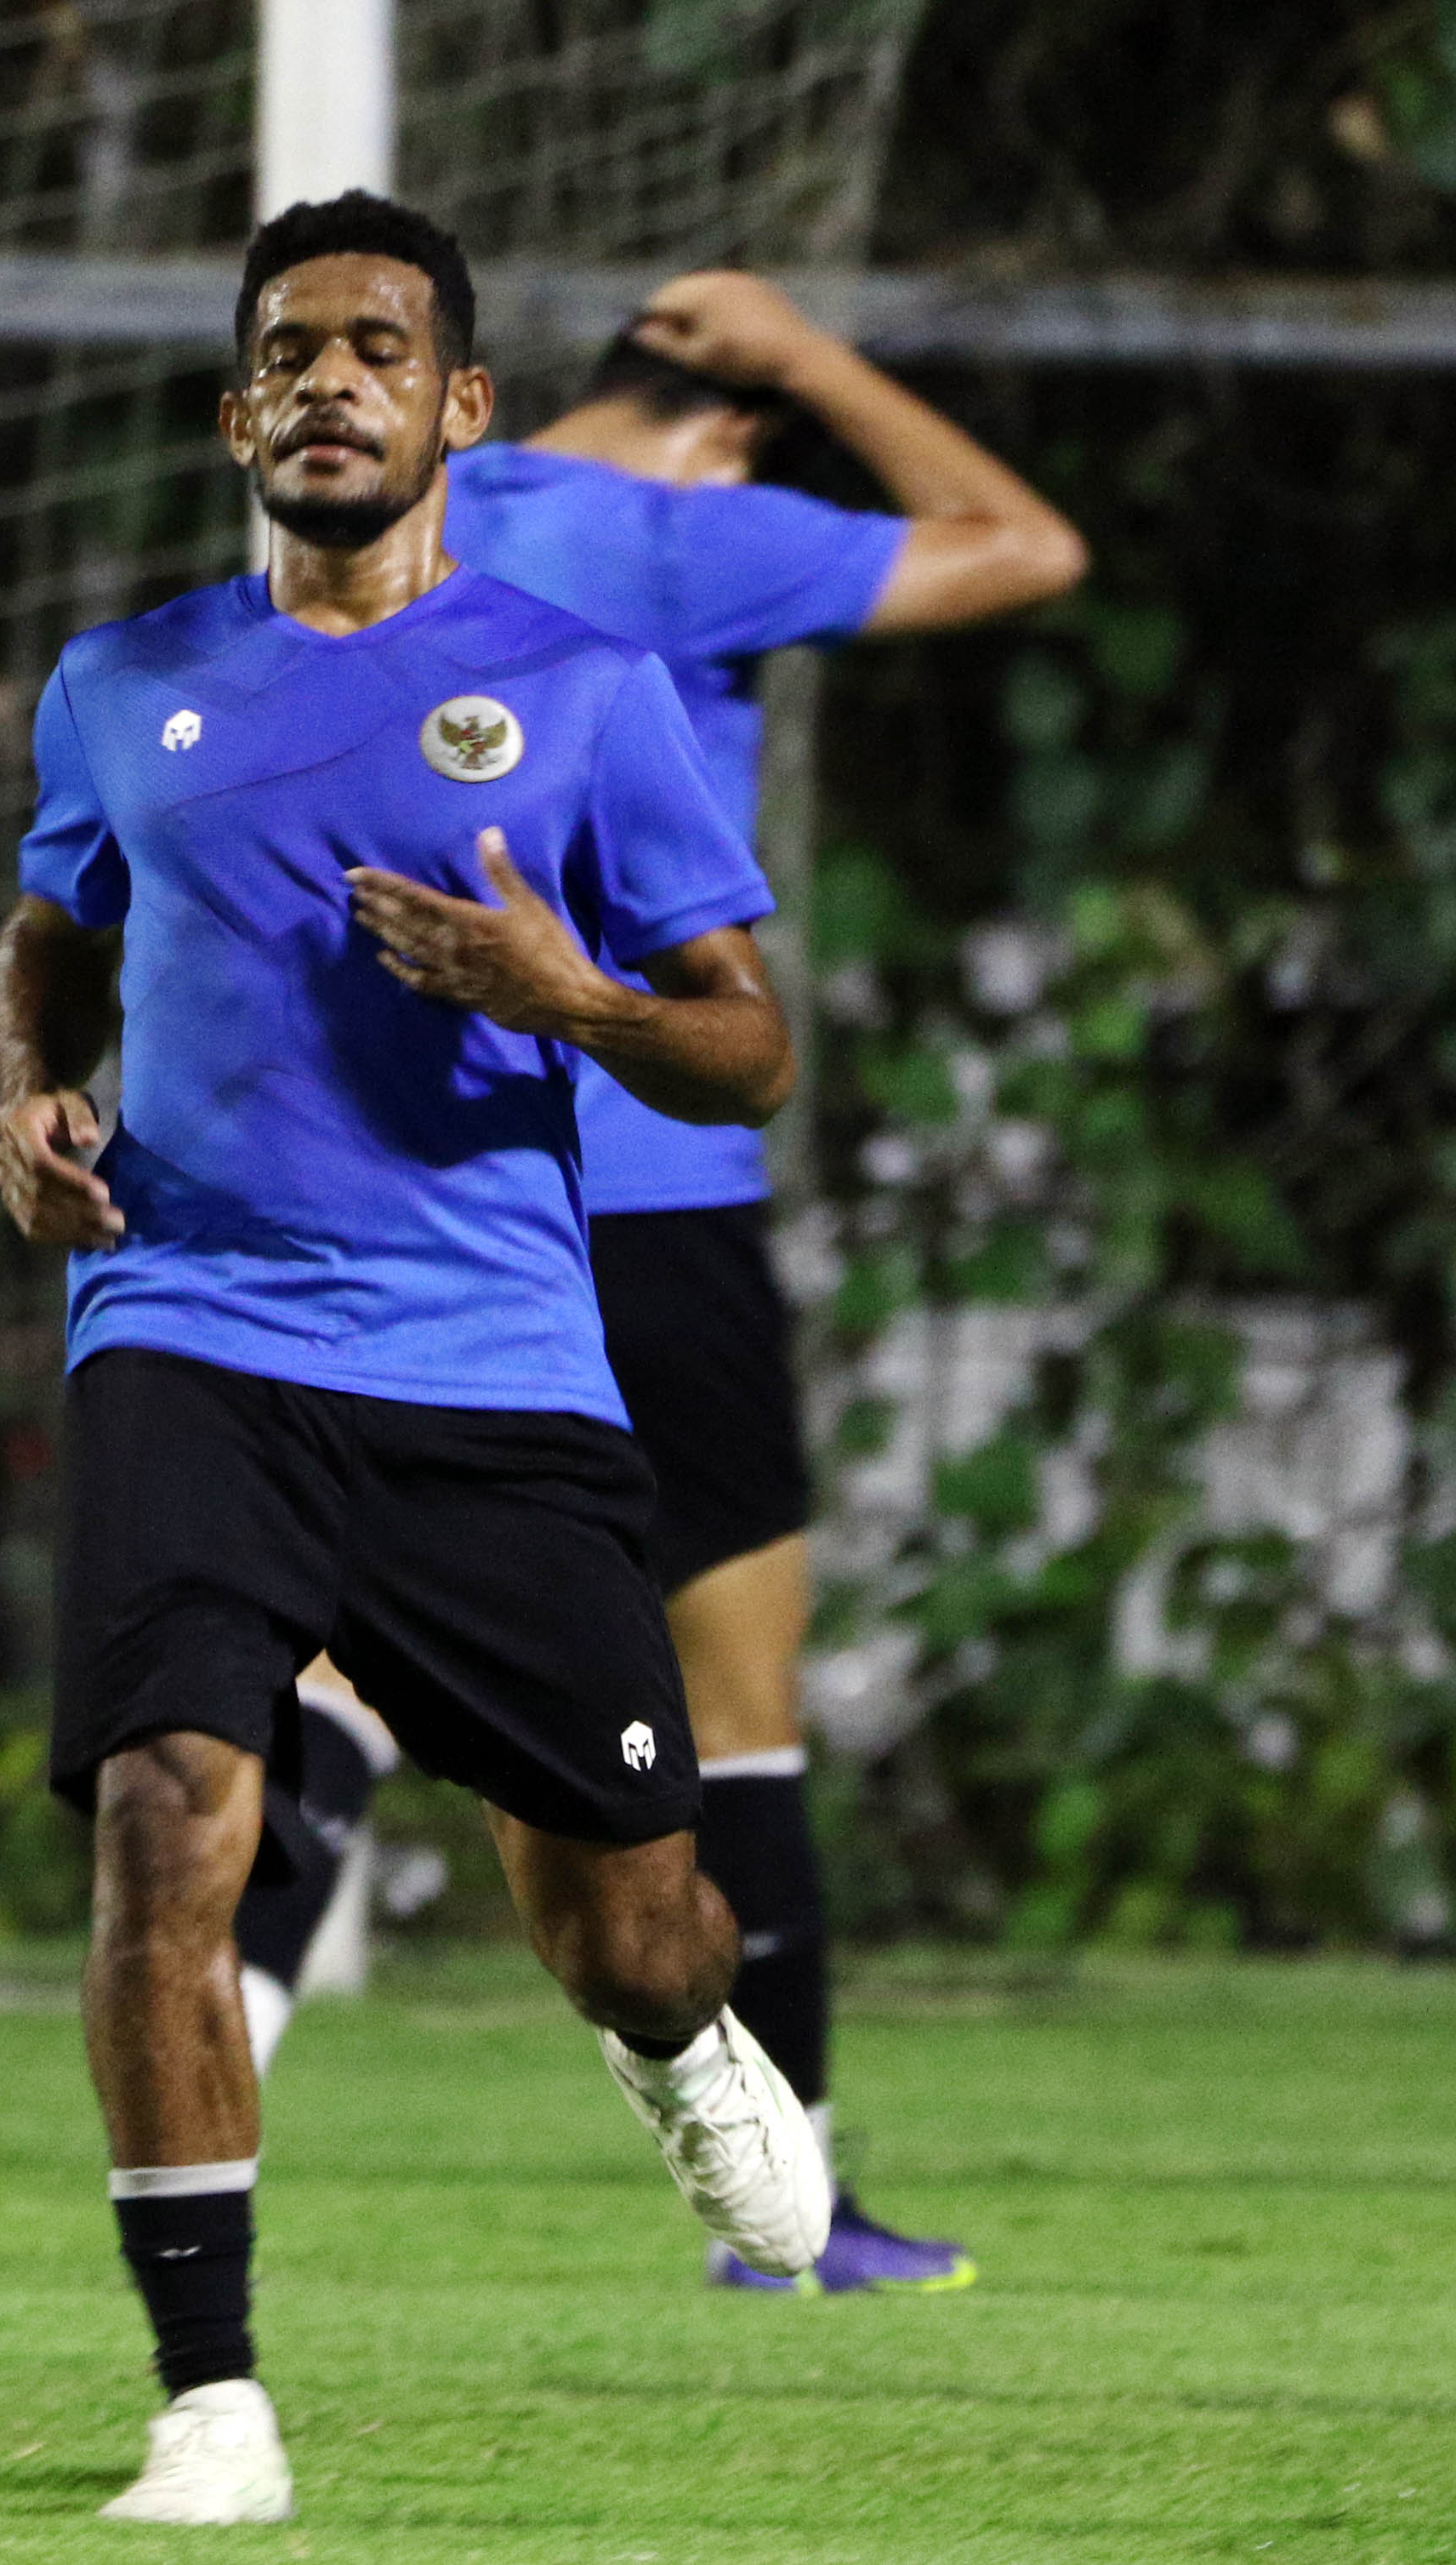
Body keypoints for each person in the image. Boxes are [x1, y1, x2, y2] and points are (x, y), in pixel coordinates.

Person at [0, 191, 833, 2528]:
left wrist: (559, 994)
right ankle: (210, 2399)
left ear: (461, 405)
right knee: (173, 1811)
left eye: (380, 348)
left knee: (629, 1909)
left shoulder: (583, 683)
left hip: (488, 1361)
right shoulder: (118, 680)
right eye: (291, 350)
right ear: (235, 406)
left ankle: (678, 2047)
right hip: (190, 1320)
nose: (331, 381)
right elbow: (54, 935)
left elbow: (746, 1048)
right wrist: (28, 1093)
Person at [226, 276, 1087, 2298]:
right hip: (650, 1181)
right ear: (720, 432)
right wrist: (815, 363)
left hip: (399, 1178)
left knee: (352, 1650)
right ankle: (791, 2210)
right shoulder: (680, 533)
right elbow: (1026, 547)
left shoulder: (392, 513)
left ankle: (218, 2069)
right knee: (740, 1695)